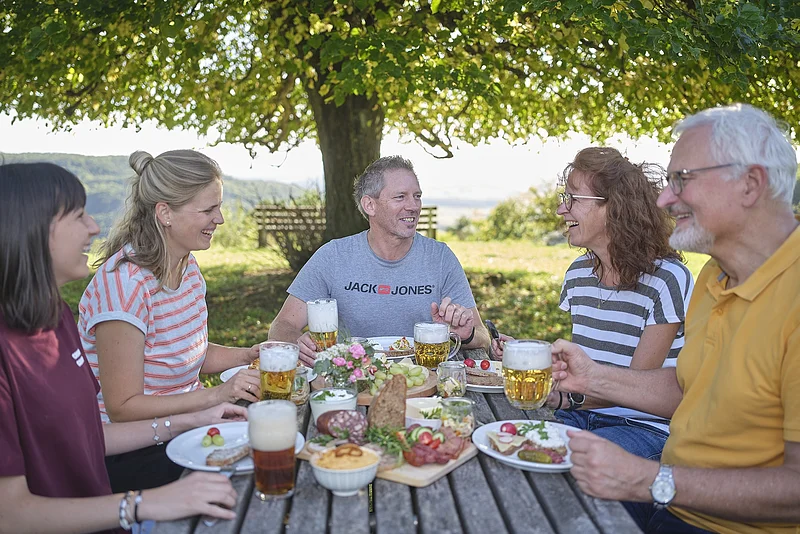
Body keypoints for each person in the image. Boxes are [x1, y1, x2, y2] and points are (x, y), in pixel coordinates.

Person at [553, 104, 800, 533]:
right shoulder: (713, 276)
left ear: (750, 184)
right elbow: (690, 388)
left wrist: (650, 479)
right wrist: (592, 378)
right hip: (675, 507)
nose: (665, 199)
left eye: (683, 179)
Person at [0, 162, 247, 533]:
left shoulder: (55, 317)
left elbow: (87, 435)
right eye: (78, 215)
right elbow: (10, 516)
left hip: (110, 494)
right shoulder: (122, 284)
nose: (94, 227)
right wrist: (144, 503)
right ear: (29, 230)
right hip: (114, 488)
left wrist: (194, 418)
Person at [493, 147, 694, 461]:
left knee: (563, 465)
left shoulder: (667, 279)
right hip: (581, 415)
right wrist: (529, 354)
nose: (561, 209)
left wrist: (566, 398)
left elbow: (634, 389)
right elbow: (590, 361)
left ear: (614, 207)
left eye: (573, 198)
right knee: (502, 444)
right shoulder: (579, 274)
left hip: (642, 426)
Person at [78, 150, 260, 492]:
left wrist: (249, 355)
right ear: (165, 213)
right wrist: (216, 396)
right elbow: (123, 408)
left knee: (273, 443)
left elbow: (185, 352)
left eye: (219, 207)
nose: (219, 219)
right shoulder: (125, 285)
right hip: (131, 450)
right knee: (247, 483)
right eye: (208, 210)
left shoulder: (187, 267)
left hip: (187, 428)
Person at [269, 155, 489, 366]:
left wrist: (466, 334)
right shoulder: (333, 256)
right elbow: (282, 325)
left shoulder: (440, 258)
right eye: (400, 197)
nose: (413, 206)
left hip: (424, 380)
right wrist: (297, 343)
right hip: (352, 379)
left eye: (417, 196)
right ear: (369, 205)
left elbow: (483, 336)